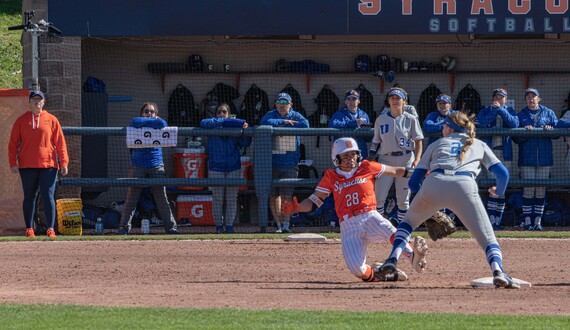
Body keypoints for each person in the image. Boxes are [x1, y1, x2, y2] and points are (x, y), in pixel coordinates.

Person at [378, 112, 520, 288]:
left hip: (434, 183)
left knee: (407, 223)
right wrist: (499, 192)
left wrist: (424, 205)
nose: (442, 129)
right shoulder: (478, 144)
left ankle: (392, 259)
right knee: (487, 237)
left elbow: (414, 182)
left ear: (450, 127)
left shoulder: (437, 144)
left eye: (444, 125)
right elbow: (503, 174)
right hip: (464, 186)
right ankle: (498, 271)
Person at [281, 137, 428, 282]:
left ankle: (413, 256)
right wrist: (299, 207)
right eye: (345, 155)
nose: (350, 158)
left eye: (353, 154)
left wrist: (420, 174)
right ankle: (384, 274)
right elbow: (314, 201)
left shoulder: (366, 167)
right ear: (336, 158)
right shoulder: (331, 176)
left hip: (370, 216)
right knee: (358, 270)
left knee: (392, 232)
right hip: (348, 224)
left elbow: (397, 171)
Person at [8, 90, 69, 238]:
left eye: (39, 99)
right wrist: (12, 163)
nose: (37, 102)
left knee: (48, 196)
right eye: (34, 99)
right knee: (29, 196)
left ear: (44, 102)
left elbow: (60, 143)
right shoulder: (21, 120)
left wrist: (64, 162)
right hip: (27, 165)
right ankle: (29, 228)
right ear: (29, 102)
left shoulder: (52, 120)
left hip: (48, 165)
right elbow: (13, 143)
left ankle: (50, 228)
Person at [118, 102, 179, 235]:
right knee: (132, 197)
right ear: (142, 113)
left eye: (152, 112)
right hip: (137, 165)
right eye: (146, 111)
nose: (149, 113)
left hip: (156, 165)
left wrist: (150, 122)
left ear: (156, 114)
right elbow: (134, 122)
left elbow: (163, 124)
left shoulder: (158, 121)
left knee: (161, 198)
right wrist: (150, 121)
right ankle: (124, 227)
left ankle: (171, 228)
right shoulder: (137, 121)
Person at [368, 88, 424, 224]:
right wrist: (370, 156)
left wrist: (417, 159)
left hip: (406, 159)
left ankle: (403, 231)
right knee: (379, 196)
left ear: (404, 101)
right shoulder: (381, 119)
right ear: (388, 101)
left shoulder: (411, 119)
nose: (395, 101)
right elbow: (375, 141)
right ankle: (378, 227)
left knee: (403, 199)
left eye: (398, 98)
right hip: (385, 159)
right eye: (392, 98)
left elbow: (418, 141)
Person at [260, 92, 309, 233]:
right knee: (274, 195)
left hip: (290, 164)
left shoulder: (296, 115)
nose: (282, 106)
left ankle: (286, 225)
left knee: (287, 195)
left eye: (285, 103)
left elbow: (306, 125)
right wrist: (284, 122)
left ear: (290, 104)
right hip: (272, 163)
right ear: (276, 104)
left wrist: (289, 123)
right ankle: (279, 225)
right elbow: (264, 123)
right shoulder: (270, 114)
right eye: (280, 103)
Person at [200, 103, 251, 234]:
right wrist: (231, 121)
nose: (221, 114)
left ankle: (229, 226)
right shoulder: (211, 124)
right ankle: (218, 227)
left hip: (233, 167)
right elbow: (203, 123)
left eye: (224, 112)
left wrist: (244, 130)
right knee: (217, 199)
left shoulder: (235, 127)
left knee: (231, 198)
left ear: (229, 114)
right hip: (216, 167)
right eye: (219, 112)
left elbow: (245, 143)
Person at [513, 88, 558, 231]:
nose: (531, 99)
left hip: (545, 158)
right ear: (525, 100)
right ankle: (527, 221)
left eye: (534, 96)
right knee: (528, 190)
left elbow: (557, 134)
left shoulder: (548, 112)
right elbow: (515, 138)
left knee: (540, 191)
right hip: (527, 158)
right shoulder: (521, 114)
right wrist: (525, 132)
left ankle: (537, 221)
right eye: (528, 97)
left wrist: (550, 129)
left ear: (539, 98)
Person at [475, 88, 519, 230]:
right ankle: (490, 220)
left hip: (505, 153)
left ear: (505, 99)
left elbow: (514, 124)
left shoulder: (510, 110)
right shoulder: (487, 109)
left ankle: (497, 221)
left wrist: (501, 110)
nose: (499, 99)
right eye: (497, 97)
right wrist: (495, 110)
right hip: (489, 153)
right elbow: (480, 123)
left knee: (502, 187)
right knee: (491, 186)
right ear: (493, 98)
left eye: (502, 97)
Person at [328, 89, 371, 158]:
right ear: (345, 102)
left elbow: (368, 140)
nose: (351, 102)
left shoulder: (364, 115)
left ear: (358, 101)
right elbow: (332, 124)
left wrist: (367, 130)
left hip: (360, 152)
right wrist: (353, 123)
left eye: (354, 99)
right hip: (344, 152)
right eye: (349, 99)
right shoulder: (340, 114)